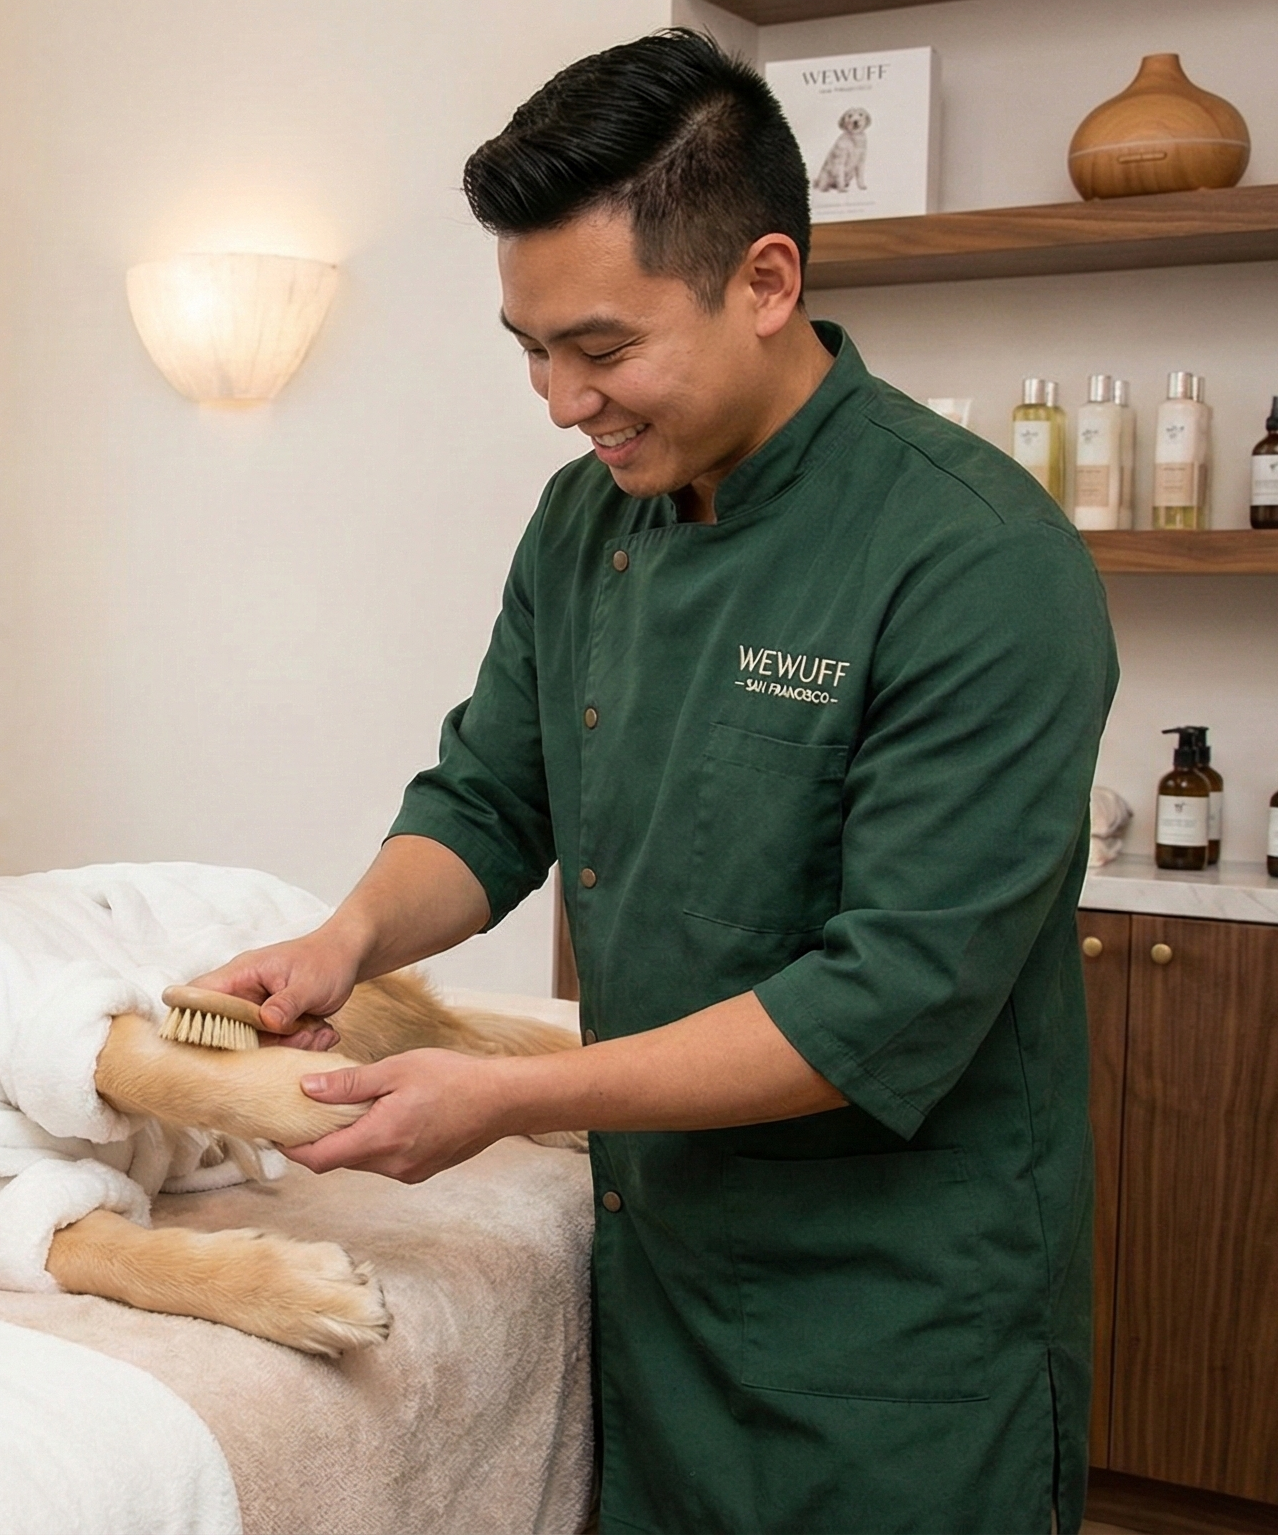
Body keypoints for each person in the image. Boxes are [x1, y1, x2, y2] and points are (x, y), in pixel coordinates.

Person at [193, 31, 1115, 1534]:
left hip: (897, 1327)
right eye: (530, 349)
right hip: (665, 1276)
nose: (561, 400)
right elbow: (491, 797)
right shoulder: (583, 523)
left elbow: (884, 1000)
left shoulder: (976, 562)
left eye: (605, 349)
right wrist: (343, 940)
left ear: (765, 282)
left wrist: (508, 1097)